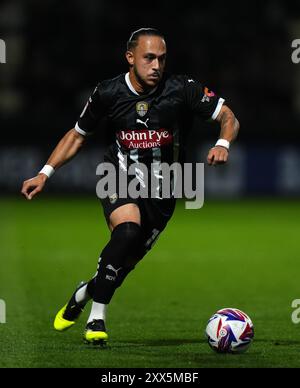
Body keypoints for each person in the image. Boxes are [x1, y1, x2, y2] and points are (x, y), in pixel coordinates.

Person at [21, 28, 240, 346]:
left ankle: (84, 292)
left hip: (165, 191)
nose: (156, 66)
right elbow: (78, 134)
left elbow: (229, 116)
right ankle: (97, 318)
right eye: (149, 58)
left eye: (161, 59)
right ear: (130, 58)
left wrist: (223, 143)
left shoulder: (183, 89)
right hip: (117, 176)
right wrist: (44, 173)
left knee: (123, 265)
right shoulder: (108, 92)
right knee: (126, 232)